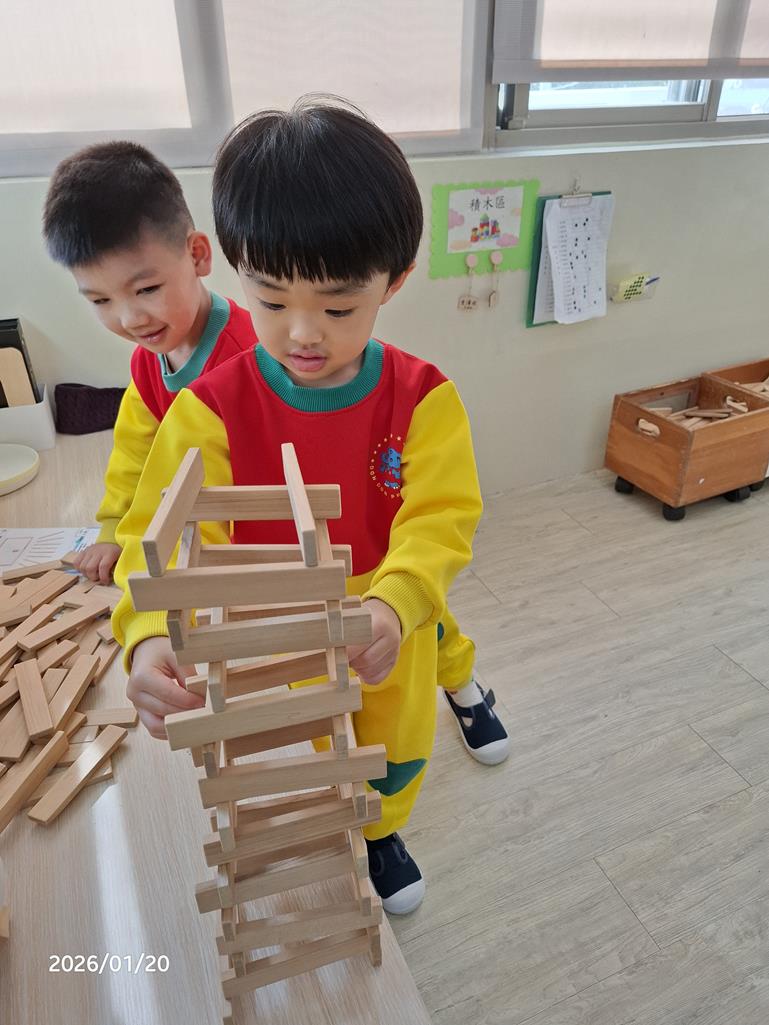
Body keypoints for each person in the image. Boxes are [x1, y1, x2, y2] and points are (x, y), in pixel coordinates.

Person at [42, 141, 257, 585]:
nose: (130, 319)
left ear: (197, 255)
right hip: (186, 538)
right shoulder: (147, 363)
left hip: (245, 548)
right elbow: (134, 455)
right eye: (101, 300)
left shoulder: (249, 357)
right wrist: (112, 532)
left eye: (146, 290)